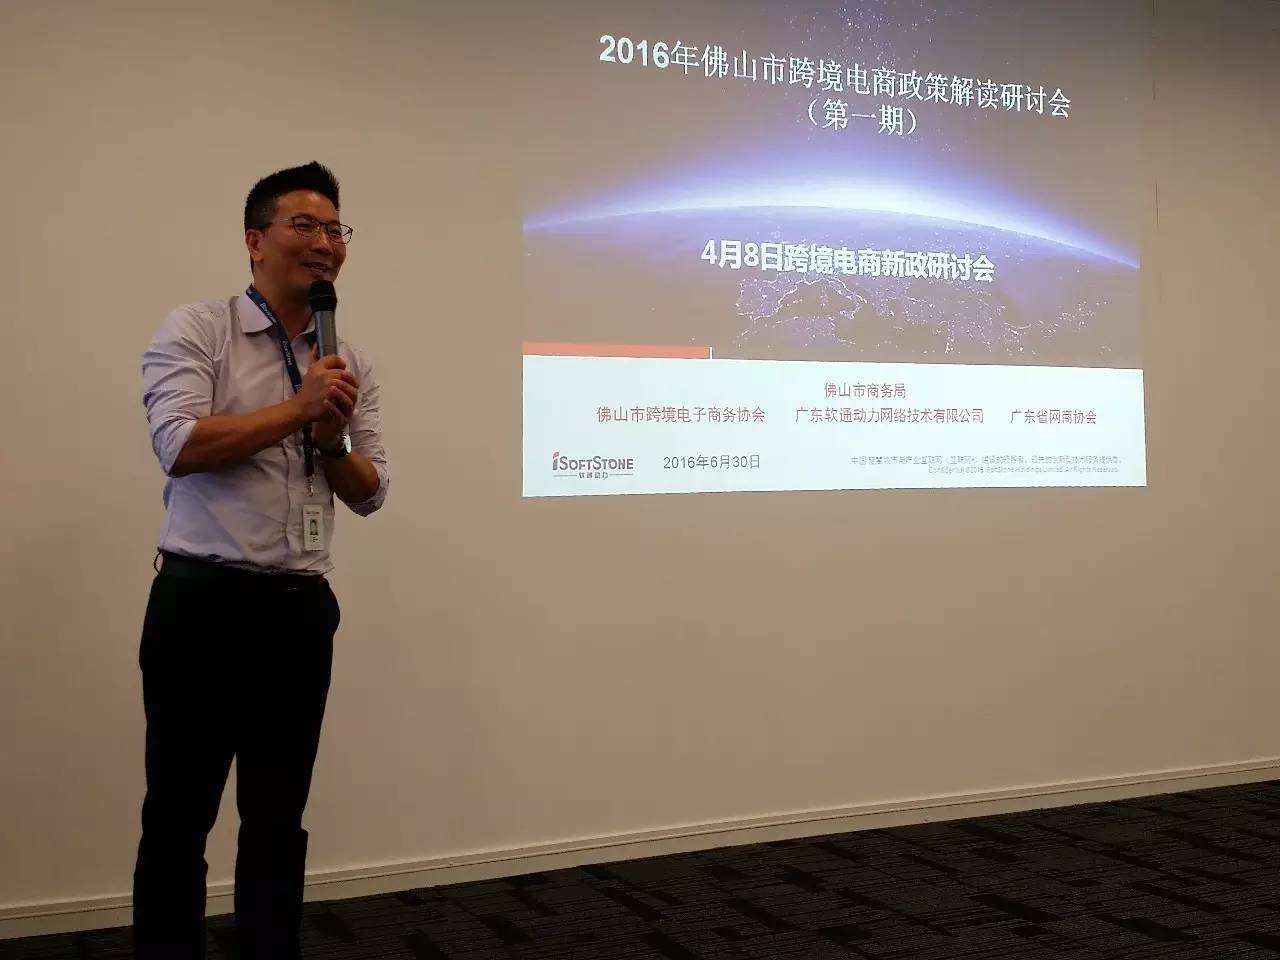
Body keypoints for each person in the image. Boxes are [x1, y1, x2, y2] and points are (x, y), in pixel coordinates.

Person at [133, 161, 389, 959]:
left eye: (336, 230)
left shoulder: (347, 361)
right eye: (304, 226)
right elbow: (179, 444)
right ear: (254, 240)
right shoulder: (198, 330)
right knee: (179, 815)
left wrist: (331, 441)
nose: (325, 244)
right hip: (201, 606)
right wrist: (297, 409)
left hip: (299, 609)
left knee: (279, 818)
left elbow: (371, 491)